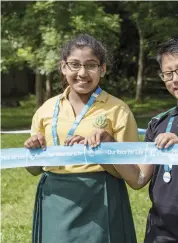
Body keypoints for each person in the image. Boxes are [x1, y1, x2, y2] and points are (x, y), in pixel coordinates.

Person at [89, 36, 178, 243]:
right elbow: (138, 179)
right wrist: (109, 146)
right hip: (159, 231)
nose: (175, 79)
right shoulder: (158, 122)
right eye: (168, 74)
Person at [23, 34, 138, 243]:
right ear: (63, 67)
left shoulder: (118, 109)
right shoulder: (46, 109)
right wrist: (34, 152)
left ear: (102, 69)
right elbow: (33, 170)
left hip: (101, 195)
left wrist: (107, 147)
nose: (82, 73)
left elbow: (133, 175)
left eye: (91, 65)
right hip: (54, 198)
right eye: (74, 65)